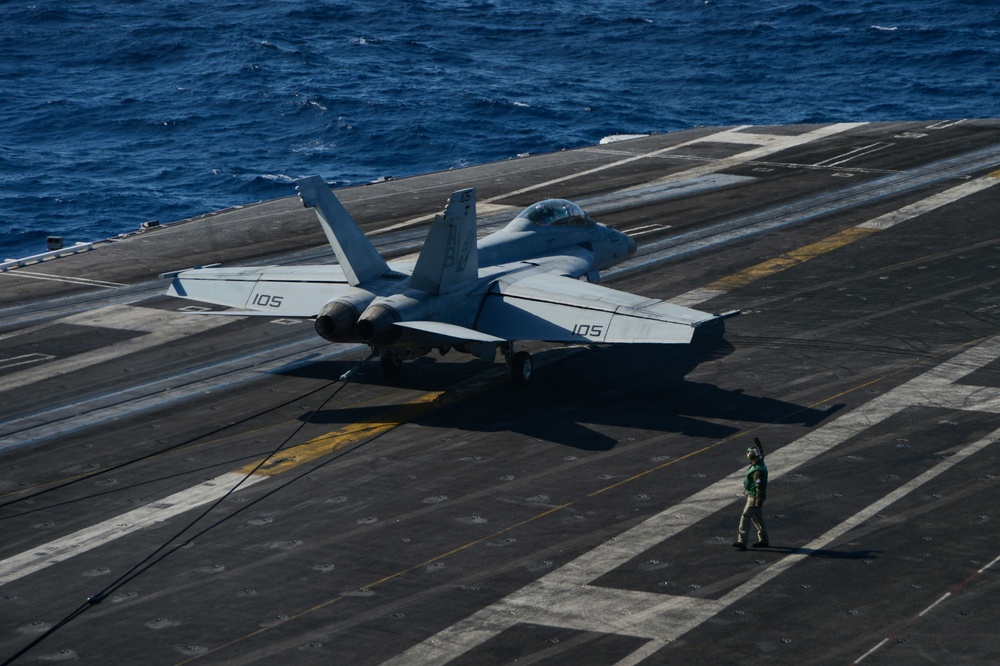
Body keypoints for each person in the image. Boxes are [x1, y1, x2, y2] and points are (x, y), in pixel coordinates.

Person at [732, 437, 769, 550]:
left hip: (754, 497)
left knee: (746, 516)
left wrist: (757, 501)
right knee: (758, 519)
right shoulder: (760, 462)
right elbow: (762, 453)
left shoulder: (757, 471)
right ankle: (764, 539)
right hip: (756, 497)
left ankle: (742, 541)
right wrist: (759, 445)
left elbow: (759, 487)